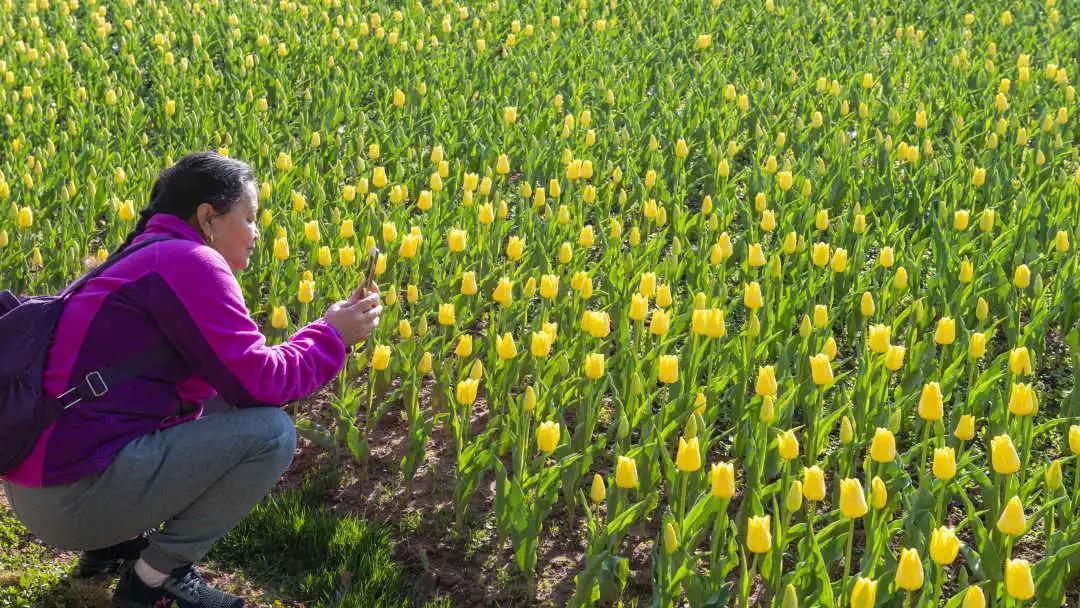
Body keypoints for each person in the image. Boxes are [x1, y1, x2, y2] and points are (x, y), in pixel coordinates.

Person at [0, 151, 382, 608]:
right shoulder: (190, 262)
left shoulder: (148, 252)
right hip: (72, 499)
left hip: (38, 485)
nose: (256, 233)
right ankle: (154, 578)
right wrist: (332, 336)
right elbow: (263, 382)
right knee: (271, 434)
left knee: (217, 398)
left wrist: (327, 330)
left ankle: (112, 547)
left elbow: (234, 379)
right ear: (208, 218)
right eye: (249, 218)